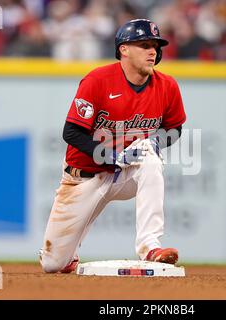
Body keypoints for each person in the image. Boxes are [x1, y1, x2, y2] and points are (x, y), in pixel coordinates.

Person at [39, 19, 187, 273]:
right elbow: (71, 132)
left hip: (126, 174)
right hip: (85, 177)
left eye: (155, 45)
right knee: (53, 264)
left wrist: (156, 141)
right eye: (144, 45)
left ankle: (149, 247)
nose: (152, 51)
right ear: (124, 49)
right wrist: (111, 155)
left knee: (150, 158)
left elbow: (174, 128)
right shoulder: (98, 80)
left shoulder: (167, 85)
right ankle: (67, 255)